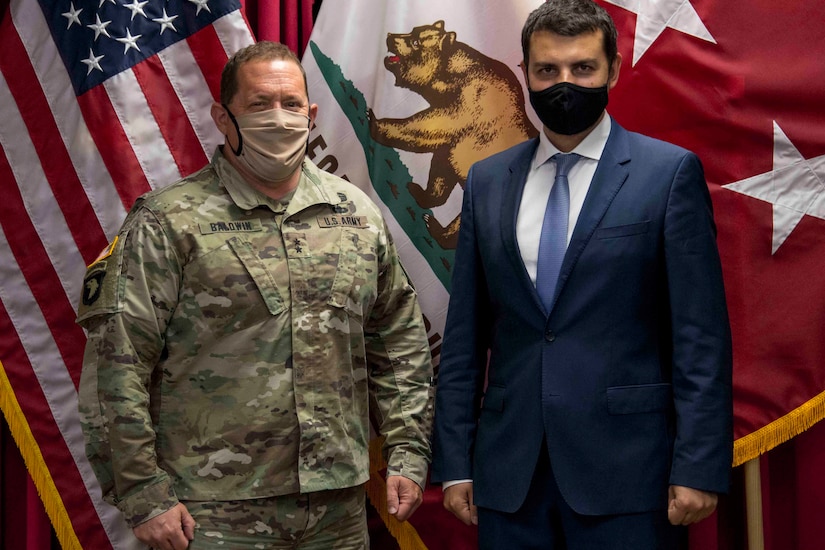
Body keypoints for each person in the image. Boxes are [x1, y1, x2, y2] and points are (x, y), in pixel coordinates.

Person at [76, 41, 434, 550]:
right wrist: (143, 495)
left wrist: (407, 452)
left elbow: (398, 345)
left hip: (338, 507)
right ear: (223, 117)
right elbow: (116, 366)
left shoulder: (356, 214)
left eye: (291, 105)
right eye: (259, 104)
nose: (279, 118)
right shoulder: (168, 222)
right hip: (213, 511)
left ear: (311, 115)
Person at [430, 1, 733, 548]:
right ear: (524, 72)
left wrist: (699, 465)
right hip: (508, 476)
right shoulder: (486, 181)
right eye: (547, 70)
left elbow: (700, 336)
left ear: (613, 70)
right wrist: (455, 461)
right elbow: (464, 339)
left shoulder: (668, 175)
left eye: (582, 68)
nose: (563, 83)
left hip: (631, 475)